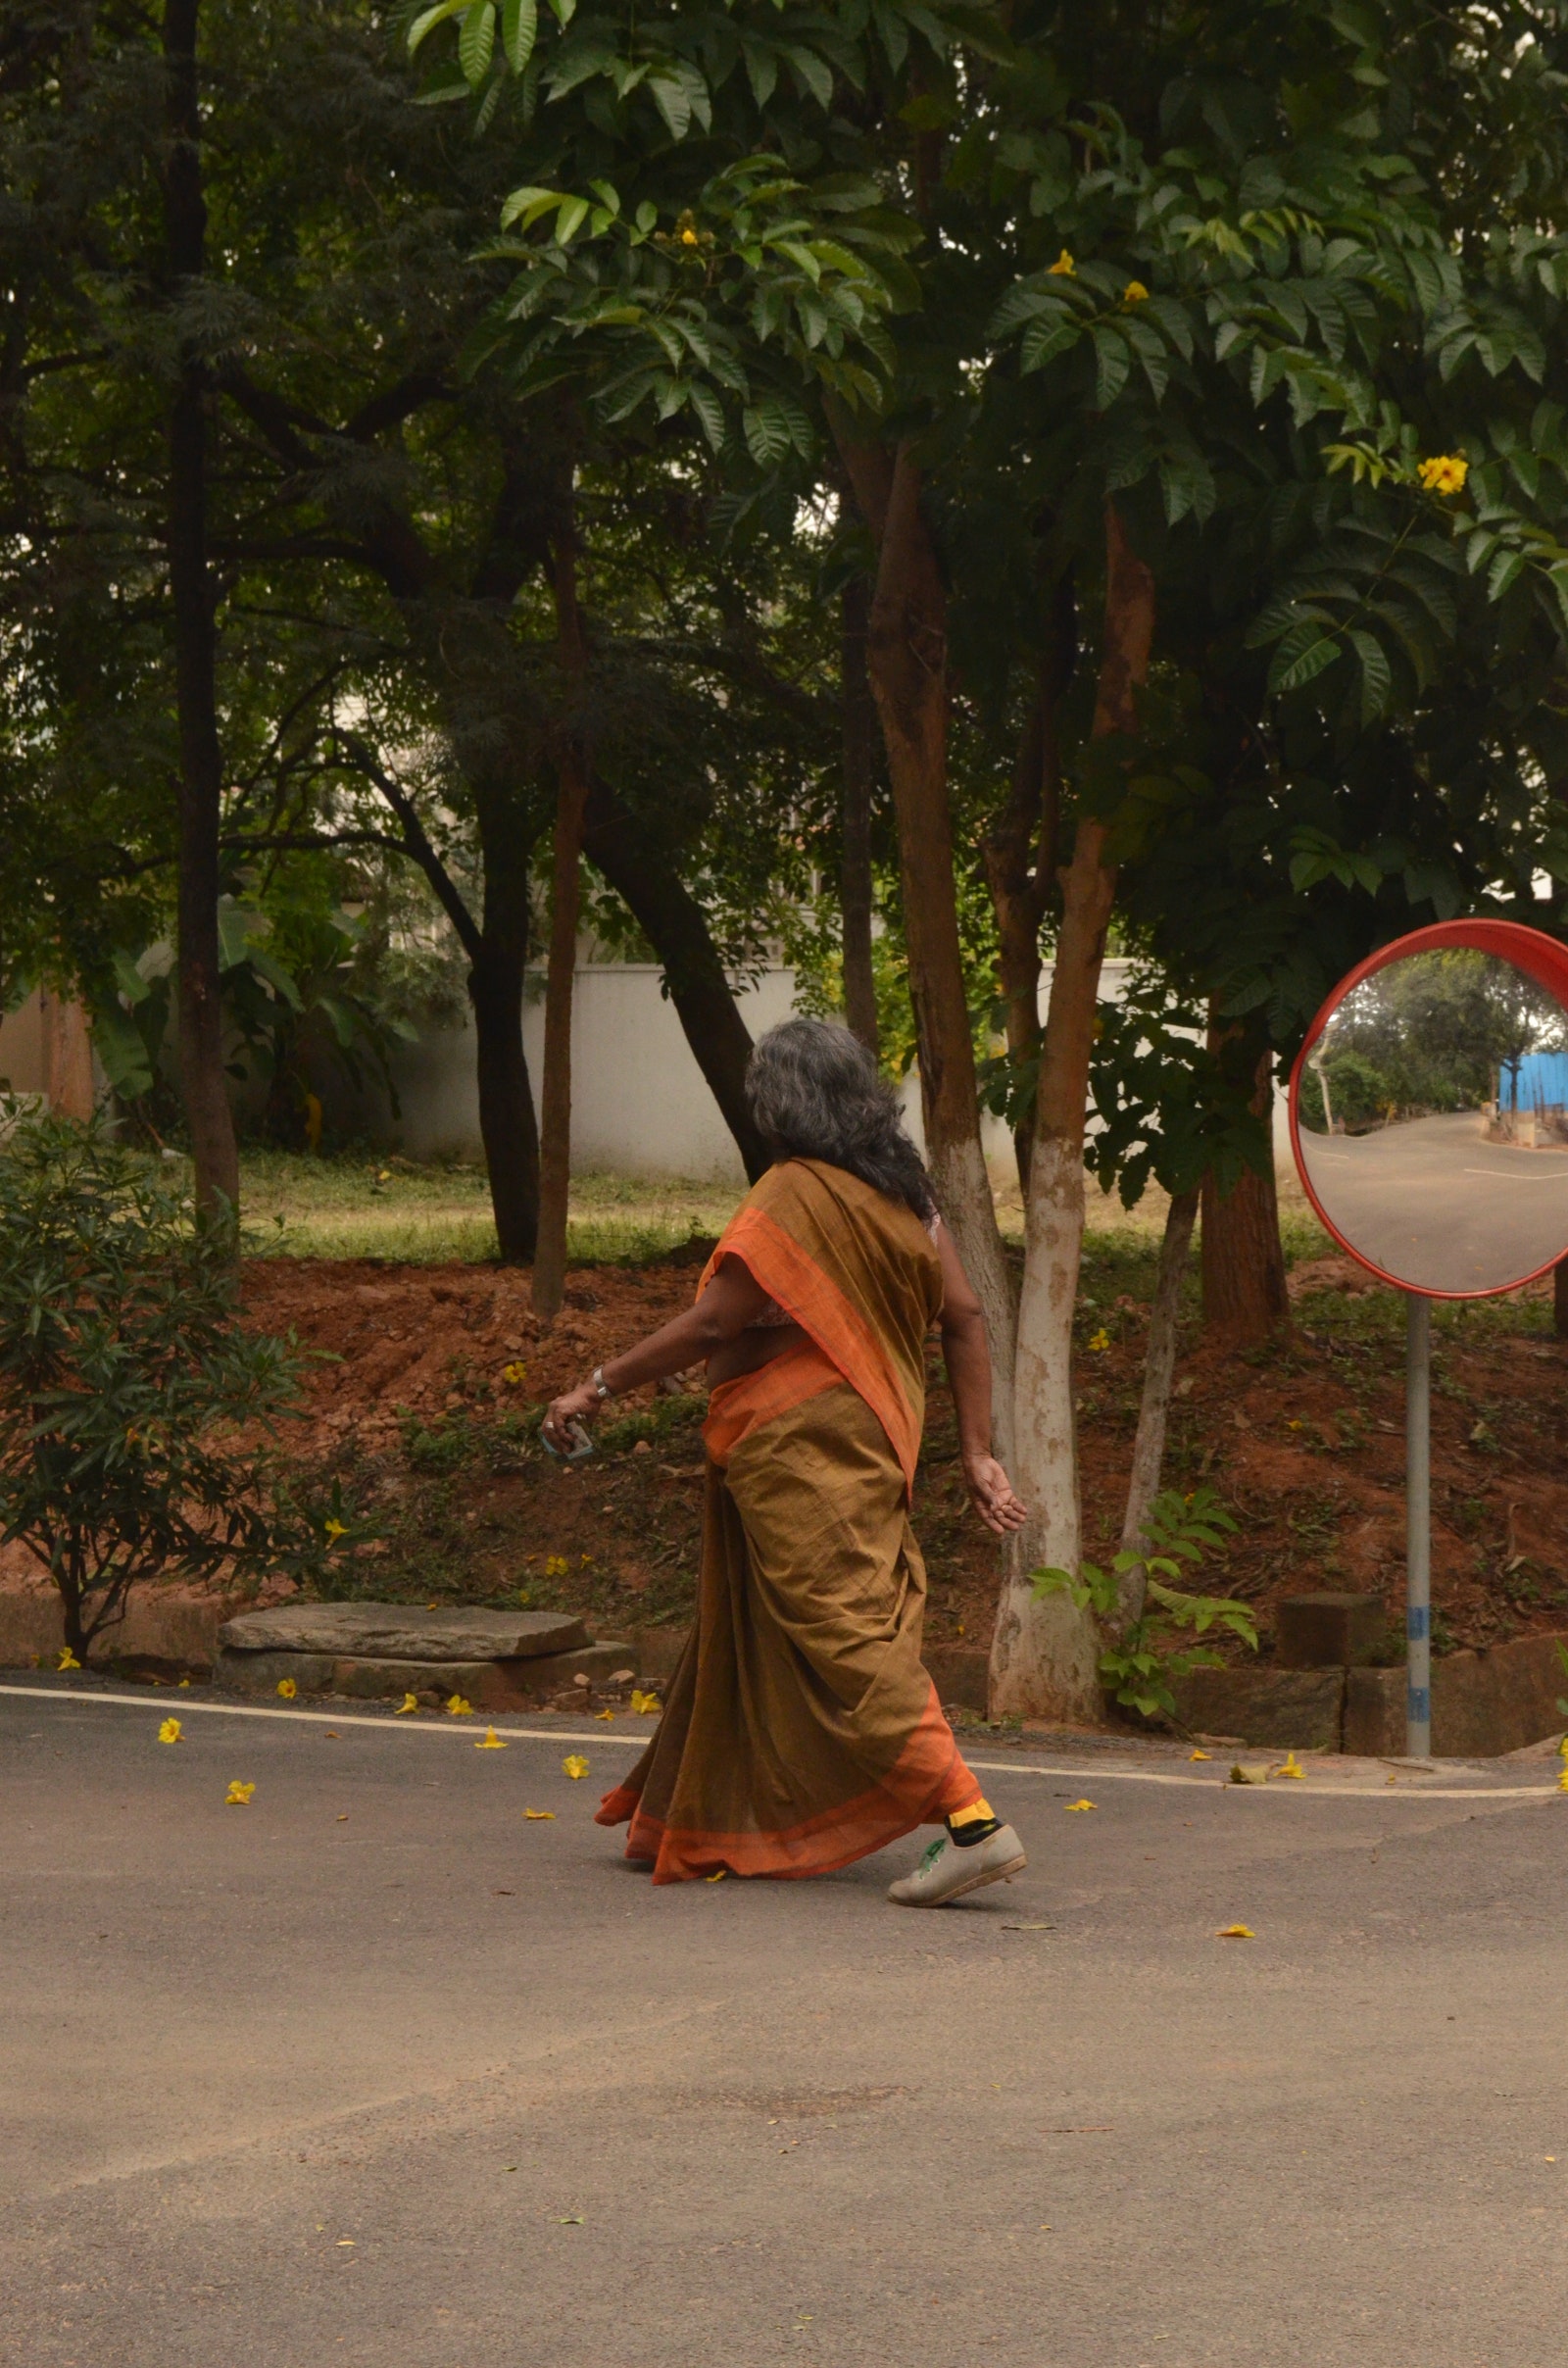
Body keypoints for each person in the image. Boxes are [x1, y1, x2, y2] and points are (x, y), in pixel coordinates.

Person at [543, 1017, 1029, 1907]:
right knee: (763, 1630)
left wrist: (598, 1385)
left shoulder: (796, 1192)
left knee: (841, 1631)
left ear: (776, 1106)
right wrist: (977, 1453)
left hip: (798, 1447)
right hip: (875, 1436)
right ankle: (700, 1817)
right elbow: (964, 1317)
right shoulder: (904, 1193)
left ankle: (973, 1824)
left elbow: (716, 1323)